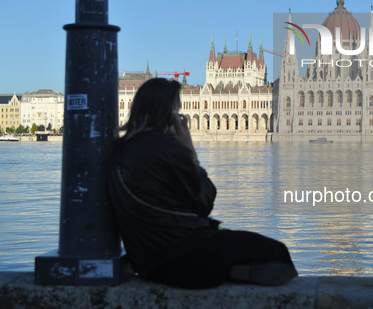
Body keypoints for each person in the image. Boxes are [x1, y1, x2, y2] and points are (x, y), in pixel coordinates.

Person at [108, 78, 297, 288]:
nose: (181, 119)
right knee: (277, 252)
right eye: (177, 112)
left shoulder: (121, 150)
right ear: (168, 115)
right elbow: (204, 202)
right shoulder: (166, 148)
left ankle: (233, 271)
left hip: (147, 261)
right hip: (183, 255)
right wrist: (189, 149)